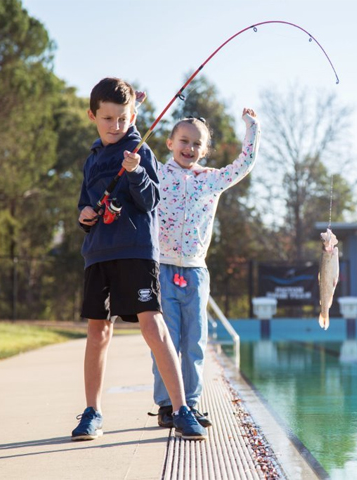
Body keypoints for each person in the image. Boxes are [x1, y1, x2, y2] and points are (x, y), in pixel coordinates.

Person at [72, 77, 206, 441]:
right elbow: (86, 203)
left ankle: (181, 409)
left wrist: (135, 173)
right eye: (107, 119)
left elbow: (150, 202)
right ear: (93, 116)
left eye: (122, 118)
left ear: (132, 116)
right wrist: (84, 213)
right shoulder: (92, 158)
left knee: (152, 326)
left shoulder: (140, 150)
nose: (115, 126)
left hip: (136, 252)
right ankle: (92, 412)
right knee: (98, 331)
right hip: (98, 253)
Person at [152, 108, 261, 429]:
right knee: (166, 340)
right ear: (171, 143)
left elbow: (244, 164)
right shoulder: (157, 172)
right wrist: (134, 113)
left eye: (197, 144)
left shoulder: (211, 179)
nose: (190, 148)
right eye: (184, 141)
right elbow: (134, 149)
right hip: (162, 268)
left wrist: (252, 128)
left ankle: (191, 404)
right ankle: (166, 405)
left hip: (196, 272)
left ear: (205, 150)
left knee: (195, 341)